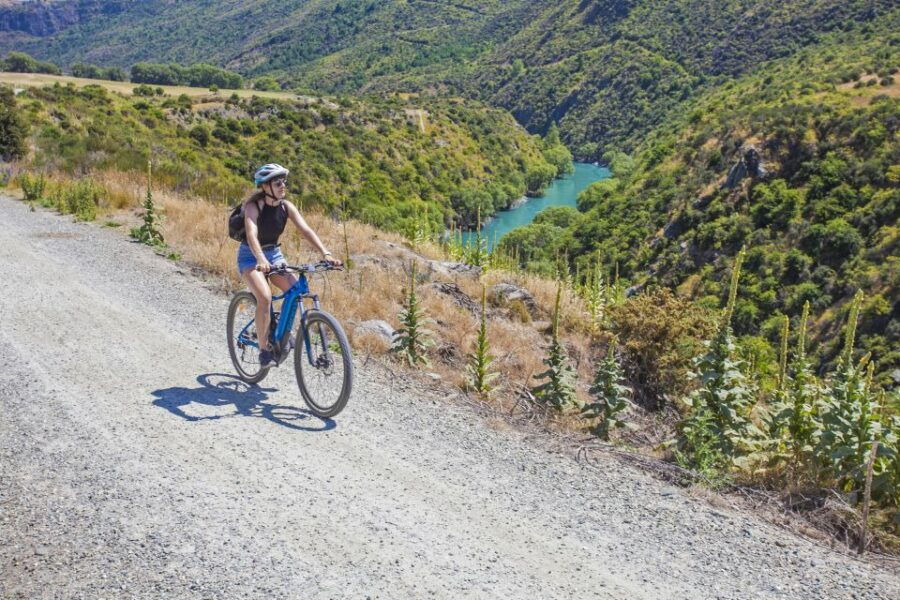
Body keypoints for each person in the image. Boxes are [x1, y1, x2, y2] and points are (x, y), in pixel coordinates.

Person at [237, 163, 341, 367]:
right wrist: (260, 258)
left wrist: (326, 253)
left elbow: (306, 230)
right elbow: (251, 235)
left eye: (284, 182)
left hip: (274, 254)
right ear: (265, 186)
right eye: (277, 183)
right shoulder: (253, 206)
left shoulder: (286, 206)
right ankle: (264, 350)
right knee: (265, 297)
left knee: (296, 291)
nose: (283, 186)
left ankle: (281, 331)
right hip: (251, 256)